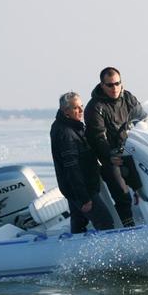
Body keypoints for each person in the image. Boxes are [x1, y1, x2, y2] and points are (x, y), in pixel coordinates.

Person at [84, 67, 147, 227]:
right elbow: (97, 137)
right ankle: (128, 228)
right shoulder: (95, 107)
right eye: (110, 85)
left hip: (131, 150)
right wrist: (111, 155)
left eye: (117, 83)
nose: (114, 88)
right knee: (122, 194)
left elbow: (143, 119)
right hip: (110, 157)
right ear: (102, 85)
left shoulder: (128, 98)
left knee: (146, 184)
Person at [50, 91, 114, 233]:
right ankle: (113, 255)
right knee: (105, 222)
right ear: (66, 111)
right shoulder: (66, 133)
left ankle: (72, 252)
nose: (80, 110)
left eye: (81, 106)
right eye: (75, 108)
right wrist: (84, 198)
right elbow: (71, 168)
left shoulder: (72, 127)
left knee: (79, 224)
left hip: (75, 189)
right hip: (82, 190)